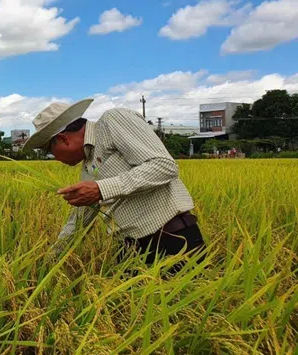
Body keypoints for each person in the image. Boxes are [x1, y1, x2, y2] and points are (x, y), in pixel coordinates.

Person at [22, 99, 206, 272]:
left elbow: (163, 165)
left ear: (63, 139)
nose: (55, 158)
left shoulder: (113, 121)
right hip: (130, 252)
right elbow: (78, 221)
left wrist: (101, 189)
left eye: (49, 151)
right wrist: (49, 260)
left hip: (172, 240)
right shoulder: (88, 167)